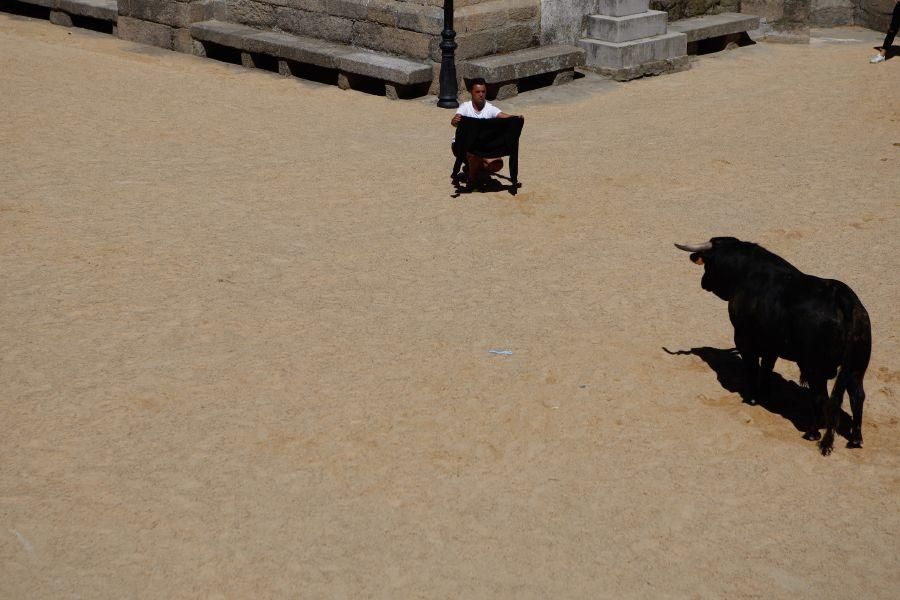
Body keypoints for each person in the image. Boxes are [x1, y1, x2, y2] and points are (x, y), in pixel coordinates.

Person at [450, 78, 519, 187]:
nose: (481, 94)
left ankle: (473, 169)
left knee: (497, 164)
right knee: (475, 152)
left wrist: (516, 118)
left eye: (483, 91)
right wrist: (454, 121)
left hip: (483, 146)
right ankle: (472, 180)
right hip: (461, 146)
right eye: (478, 92)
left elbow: (504, 117)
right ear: (471, 92)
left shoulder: (489, 108)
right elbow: (455, 121)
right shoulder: (465, 107)